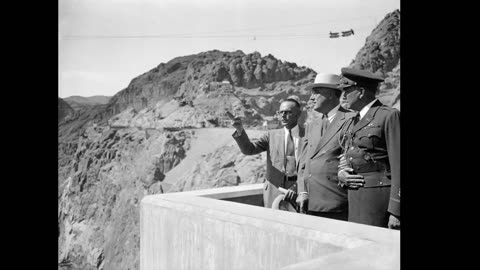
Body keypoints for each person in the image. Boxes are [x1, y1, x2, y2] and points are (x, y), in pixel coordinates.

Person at [336, 67, 400, 229]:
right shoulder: (354, 120)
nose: (343, 96)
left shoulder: (388, 116)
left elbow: (399, 165)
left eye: (347, 90)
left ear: (361, 92)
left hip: (379, 199)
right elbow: (348, 156)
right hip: (356, 196)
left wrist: (396, 210)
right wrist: (342, 173)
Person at [295, 73, 355, 221]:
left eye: (316, 92)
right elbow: (303, 163)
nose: (311, 98)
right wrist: (302, 191)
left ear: (330, 94)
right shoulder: (312, 126)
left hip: (337, 203)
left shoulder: (352, 119)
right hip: (310, 203)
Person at [230, 97, 304, 208]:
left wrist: (297, 187)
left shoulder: (308, 135)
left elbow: (311, 167)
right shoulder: (271, 135)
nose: (283, 116)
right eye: (280, 112)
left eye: (288, 112)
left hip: (299, 192)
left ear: (298, 114)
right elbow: (249, 149)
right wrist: (240, 130)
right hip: (273, 193)